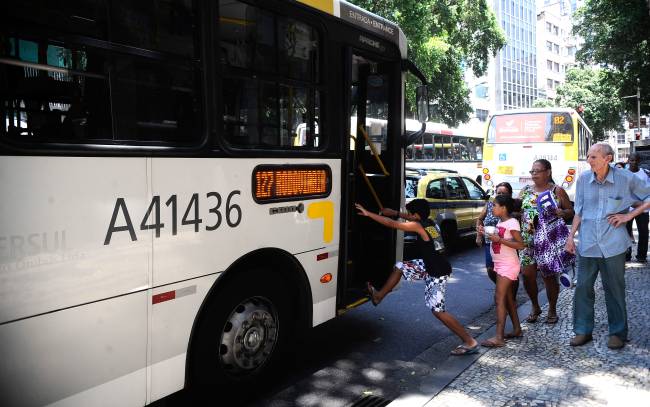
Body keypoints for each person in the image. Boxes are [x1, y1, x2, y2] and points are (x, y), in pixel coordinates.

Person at [356, 199, 479, 355]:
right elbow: (410, 218)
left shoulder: (418, 225)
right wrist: (395, 213)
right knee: (400, 267)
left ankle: (470, 342)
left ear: (415, 215)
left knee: (438, 311)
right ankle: (379, 296)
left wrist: (368, 214)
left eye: (409, 213)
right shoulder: (430, 222)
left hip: (437, 271)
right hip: (430, 264)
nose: (407, 216)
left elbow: (391, 224)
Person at [566, 143, 650, 349]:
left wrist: (628, 215)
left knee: (614, 289)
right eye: (588, 156)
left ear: (608, 158)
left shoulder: (626, 178)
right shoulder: (584, 179)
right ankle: (582, 330)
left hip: (613, 244)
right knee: (583, 288)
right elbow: (579, 211)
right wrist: (570, 237)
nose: (589, 160)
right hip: (587, 243)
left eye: (593, 157)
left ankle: (618, 333)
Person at [518, 159, 574, 324]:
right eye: (532, 171)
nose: (534, 174)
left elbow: (571, 211)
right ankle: (535, 306)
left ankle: (552, 309)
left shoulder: (557, 190)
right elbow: (517, 210)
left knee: (549, 276)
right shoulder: (526, 191)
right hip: (528, 240)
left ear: (548, 172)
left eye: (537, 171)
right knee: (527, 276)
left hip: (549, 241)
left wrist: (561, 213)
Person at [481, 195, 525, 347]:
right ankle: (517, 329)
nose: (492, 208)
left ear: (503, 207)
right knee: (507, 299)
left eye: (494, 205)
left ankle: (499, 337)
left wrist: (499, 240)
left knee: (499, 299)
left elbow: (520, 244)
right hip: (500, 264)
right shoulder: (501, 222)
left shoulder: (512, 222)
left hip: (508, 265)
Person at [476, 182, 519, 297]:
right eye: (498, 193)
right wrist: (479, 235)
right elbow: (480, 219)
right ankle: (503, 288)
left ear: (510, 194)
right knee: (491, 269)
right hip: (490, 243)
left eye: (503, 193)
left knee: (511, 273)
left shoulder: (514, 206)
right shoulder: (490, 205)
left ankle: (511, 296)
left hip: (508, 244)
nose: (500, 195)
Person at [625, 153, 650, 263]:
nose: (633, 162)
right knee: (625, 233)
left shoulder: (645, 174)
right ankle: (626, 256)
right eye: (631, 160)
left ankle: (642, 256)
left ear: (639, 161)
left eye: (636, 160)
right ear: (628, 160)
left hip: (642, 208)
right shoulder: (623, 174)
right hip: (626, 209)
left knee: (644, 232)